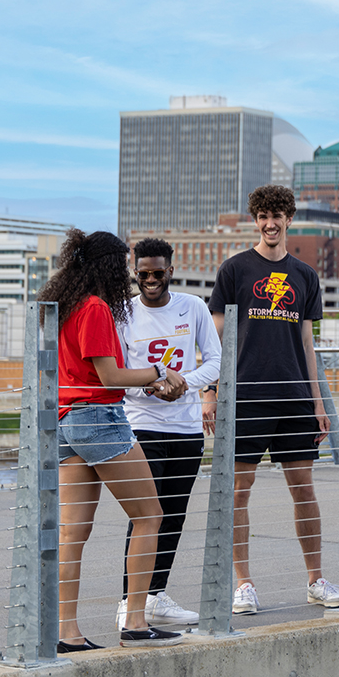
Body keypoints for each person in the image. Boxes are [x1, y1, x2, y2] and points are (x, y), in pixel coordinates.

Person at [39, 228, 187, 651]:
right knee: (150, 515)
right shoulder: (96, 309)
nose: (128, 274)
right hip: (99, 419)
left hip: (65, 421)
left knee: (73, 533)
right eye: (123, 265)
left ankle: (66, 632)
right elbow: (110, 377)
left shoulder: (64, 306)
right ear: (108, 266)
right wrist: (159, 373)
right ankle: (136, 623)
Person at [203, 184, 339, 614]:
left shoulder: (305, 276)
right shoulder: (234, 270)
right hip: (245, 398)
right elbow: (216, 336)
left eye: (277, 216)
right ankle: (243, 584)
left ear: (289, 219)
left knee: (304, 490)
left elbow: (306, 341)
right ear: (255, 220)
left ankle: (316, 579)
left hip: (294, 399)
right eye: (263, 216)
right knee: (238, 493)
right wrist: (209, 391)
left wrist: (318, 403)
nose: (270, 223)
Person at [115, 237, 222, 628]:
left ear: (171, 270)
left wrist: (185, 384)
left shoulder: (192, 307)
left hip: (185, 427)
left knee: (173, 515)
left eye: (158, 273)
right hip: (142, 425)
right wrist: (150, 386)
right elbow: (115, 373)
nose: (150, 280)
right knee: (145, 515)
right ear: (135, 272)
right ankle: (130, 603)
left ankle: (156, 595)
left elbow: (215, 361)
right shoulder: (123, 313)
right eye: (143, 274)